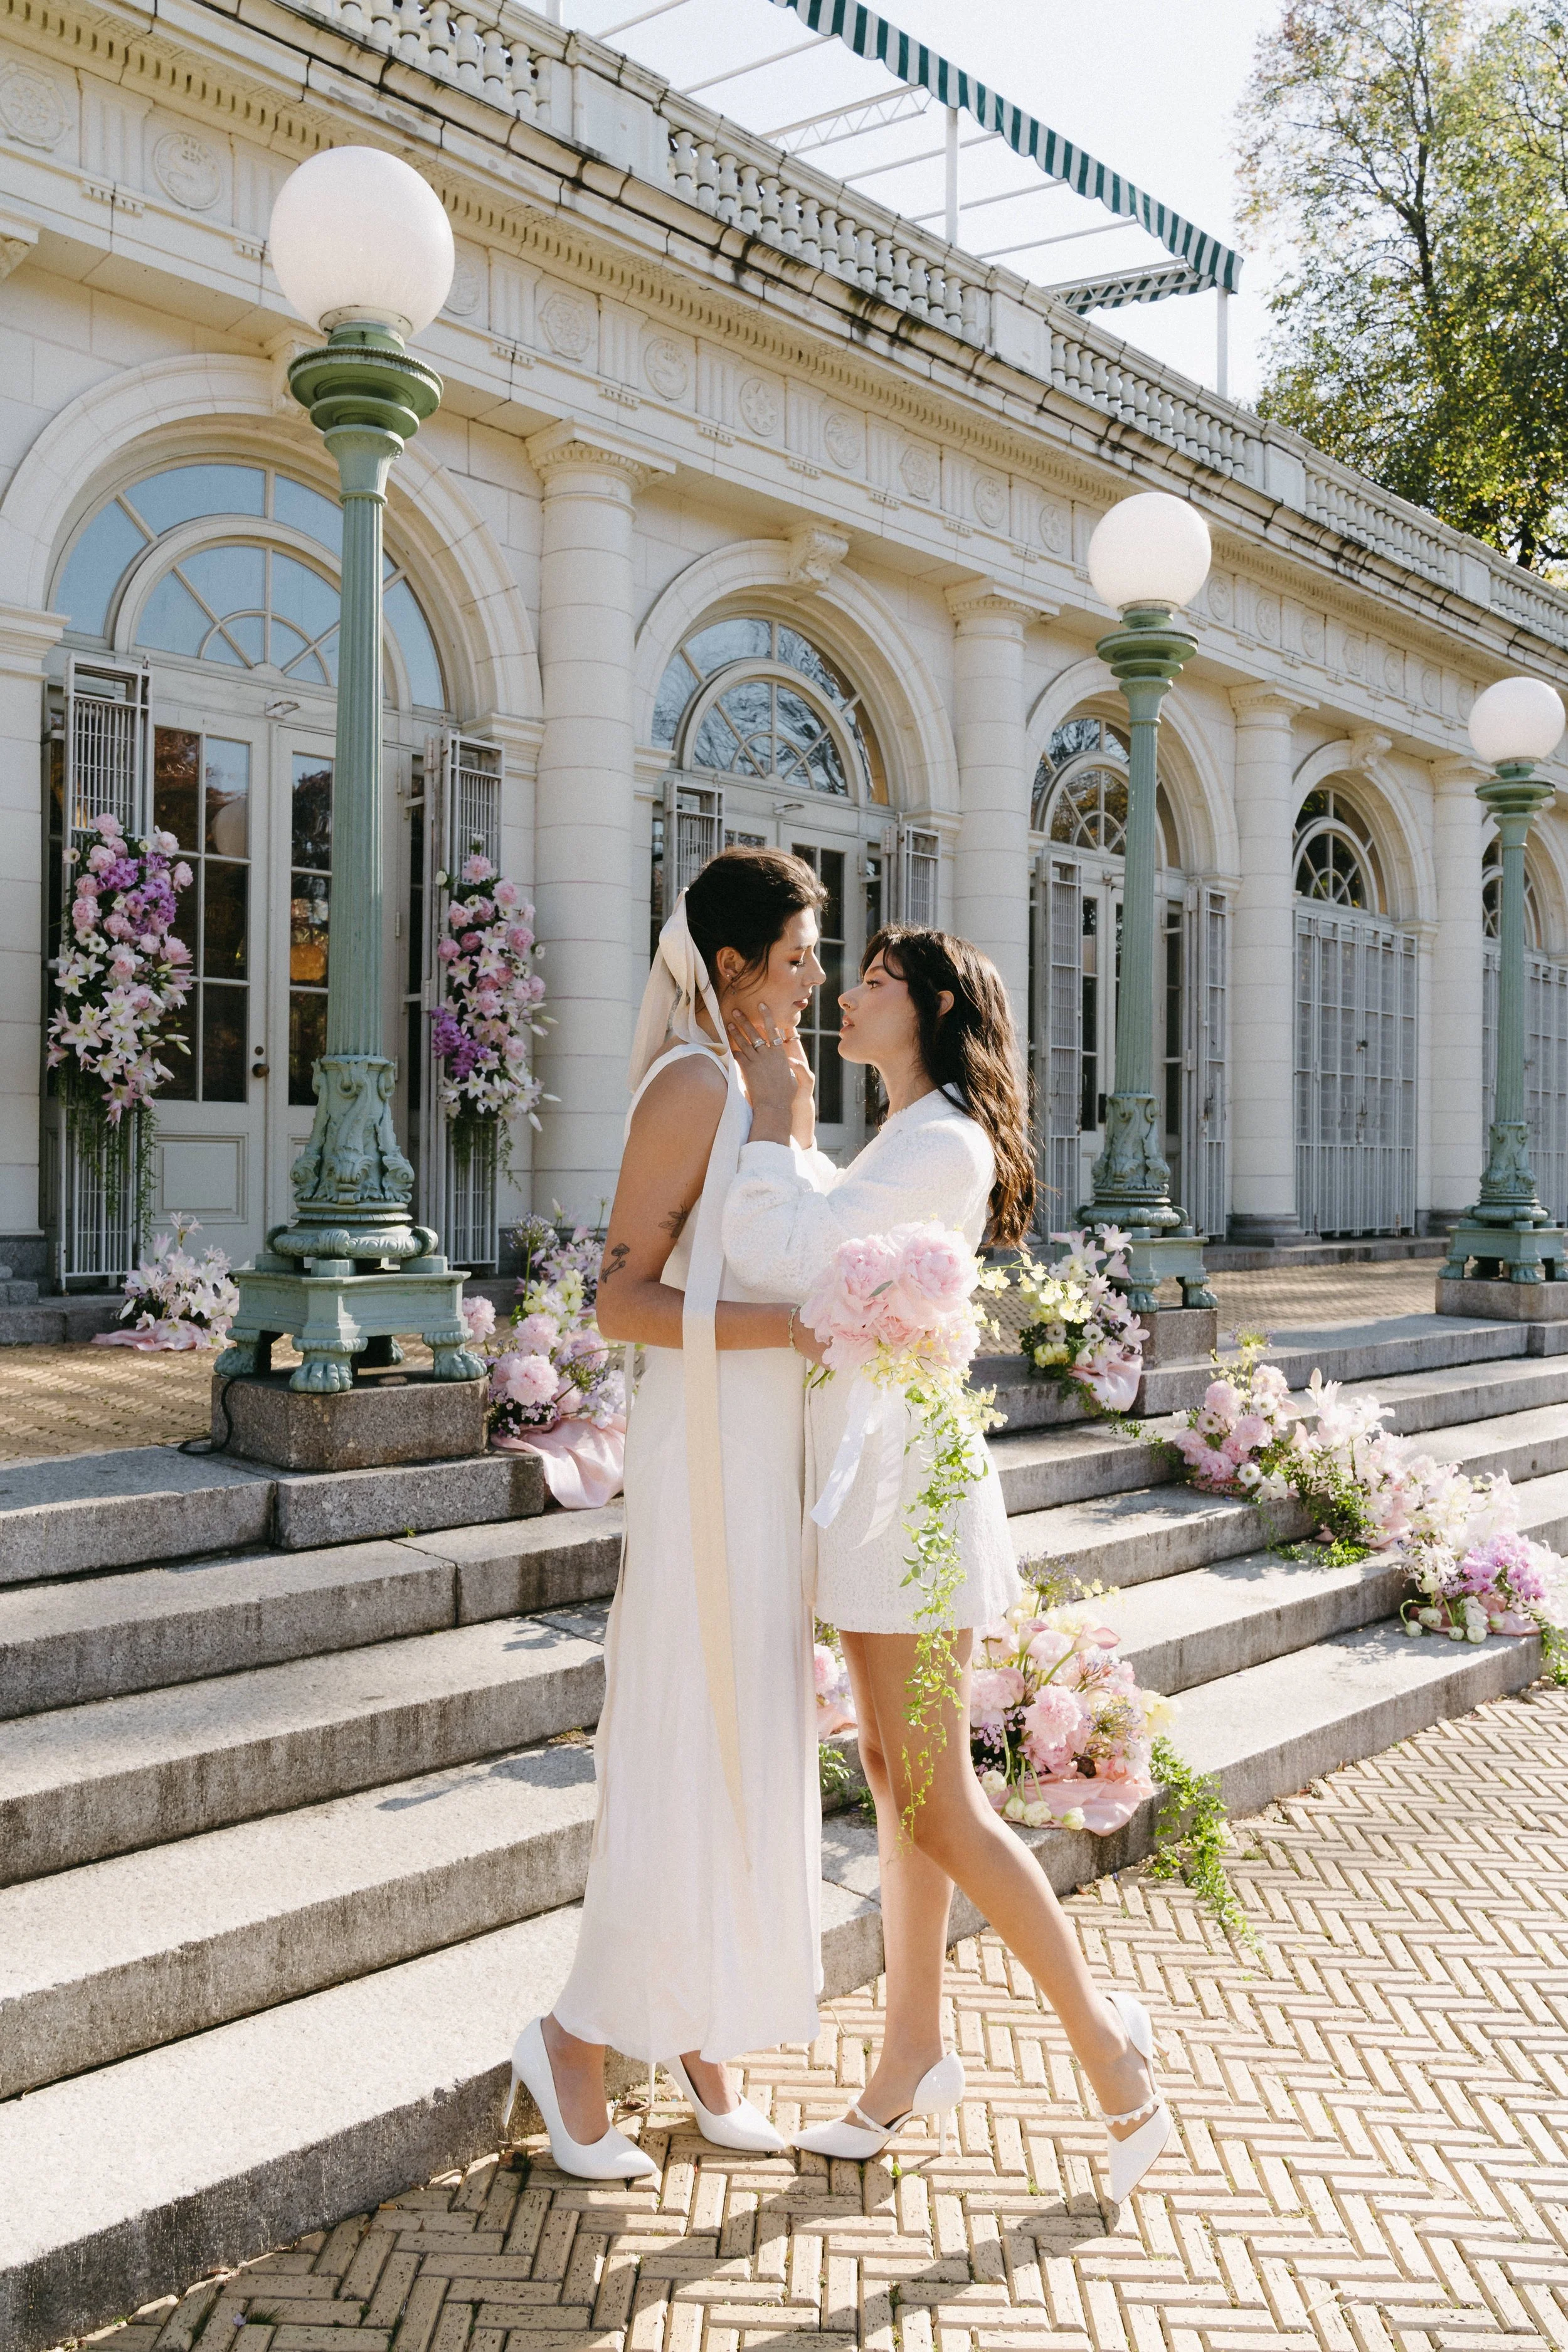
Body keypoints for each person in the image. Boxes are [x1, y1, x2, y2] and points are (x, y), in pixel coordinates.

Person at [722, 926, 1173, 2205]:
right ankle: (912, 2048)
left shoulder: (938, 1141)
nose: (845, 995)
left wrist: (771, 1122)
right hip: (876, 1484)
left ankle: (1106, 2042)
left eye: (867, 980)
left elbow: (789, 1257)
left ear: (925, 1007)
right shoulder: (900, 1136)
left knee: (931, 1794)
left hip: (907, 1493)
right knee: (889, 1768)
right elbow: (826, 1236)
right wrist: (798, 1132)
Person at [509, 848, 832, 2180]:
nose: (816, 976)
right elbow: (619, 1299)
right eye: (803, 954)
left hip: (769, 1456)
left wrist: (796, 1121)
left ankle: (702, 2032)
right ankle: (576, 2038)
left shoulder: (764, 1079)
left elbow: (770, 1232)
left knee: (747, 1739)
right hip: (707, 1454)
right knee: (687, 1735)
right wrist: (796, 1328)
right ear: (737, 964)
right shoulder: (689, 1081)